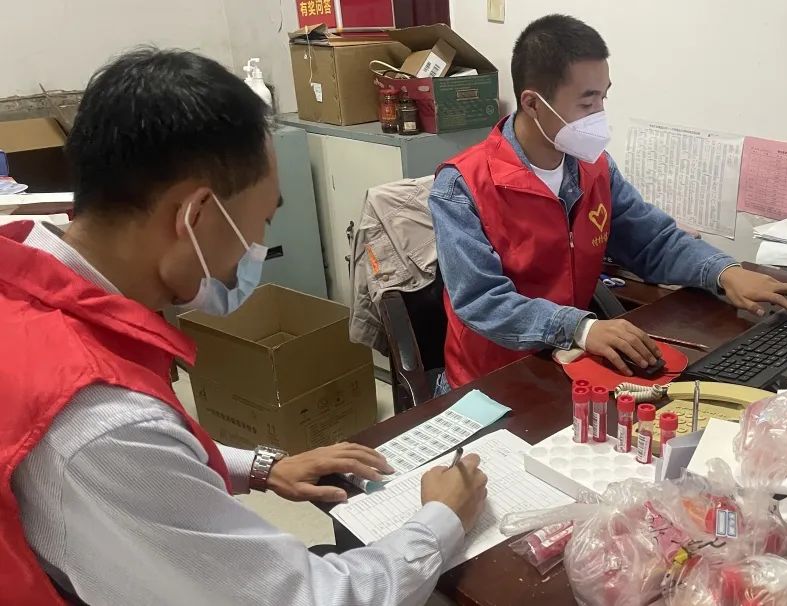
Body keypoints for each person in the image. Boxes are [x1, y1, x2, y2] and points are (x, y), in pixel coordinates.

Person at [0, 49, 487, 606]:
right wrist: (442, 519)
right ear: (195, 216)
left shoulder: (25, 288)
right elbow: (314, 599)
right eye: (261, 221)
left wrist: (263, 467)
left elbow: (157, 457)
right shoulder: (101, 423)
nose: (256, 248)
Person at [430, 15, 787, 391]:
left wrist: (724, 272)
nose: (598, 115)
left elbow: (651, 240)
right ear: (532, 103)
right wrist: (581, 328)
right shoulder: (462, 186)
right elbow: (481, 300)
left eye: (603, 97)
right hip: (491, 380)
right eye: (587, 103)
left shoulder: (593, 167)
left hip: (570, 363)